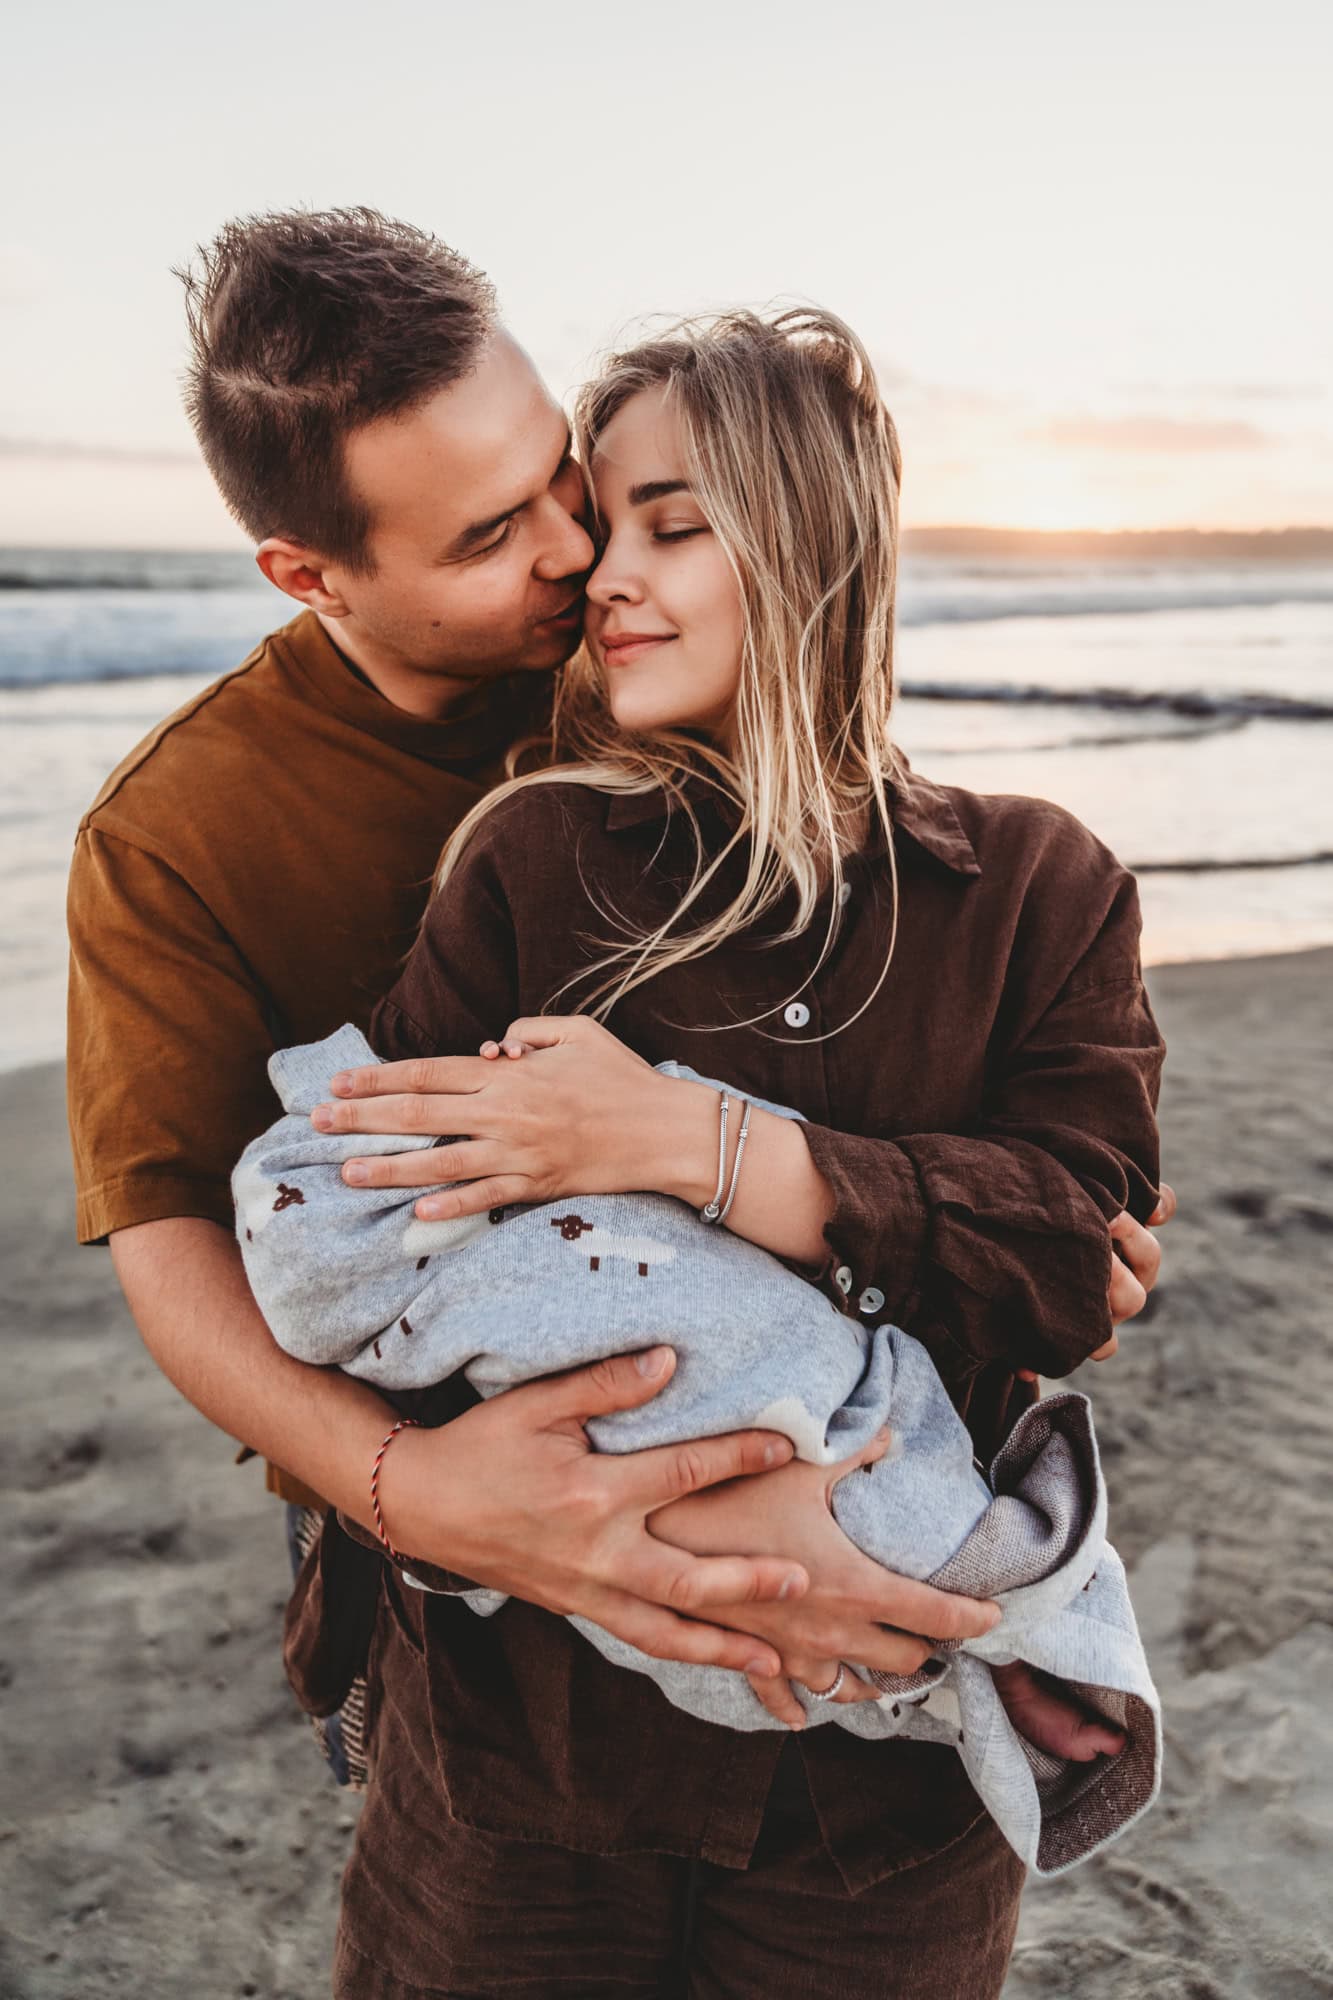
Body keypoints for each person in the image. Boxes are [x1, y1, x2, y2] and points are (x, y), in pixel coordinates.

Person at [62, 209, 1169, 1986]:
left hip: (874, 1816)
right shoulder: (288, 846)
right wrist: (427, 1499)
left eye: (588, 490)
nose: (582, 559)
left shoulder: (1021, 883)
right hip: (519, 1719)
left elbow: (1078, 1246)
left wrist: (733, 1156)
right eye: (506, 534)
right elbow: (217, 1238)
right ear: (312, 575)